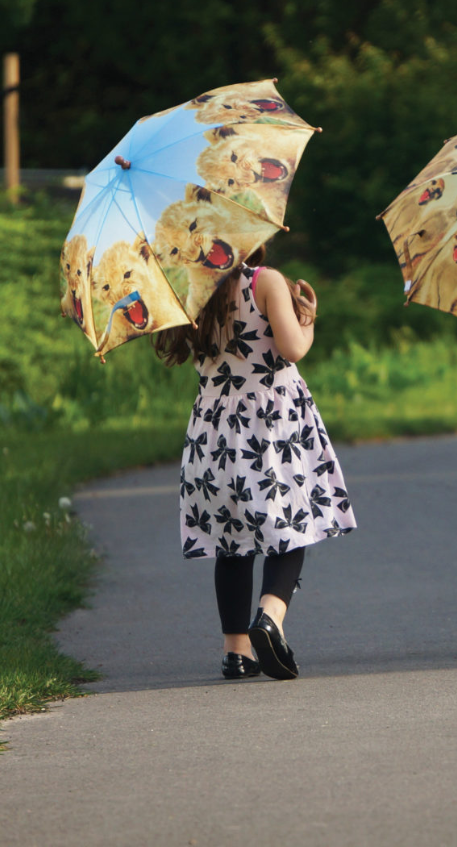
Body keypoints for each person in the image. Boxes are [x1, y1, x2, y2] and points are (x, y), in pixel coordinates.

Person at [154, 244, 355, 680]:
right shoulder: (266, 281)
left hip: (213, 429)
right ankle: (269, 615)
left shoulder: (191, 289)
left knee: (231, 539)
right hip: (269, 424)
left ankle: (236, 653)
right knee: (293, 523)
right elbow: (292, 349)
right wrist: (307, 321)